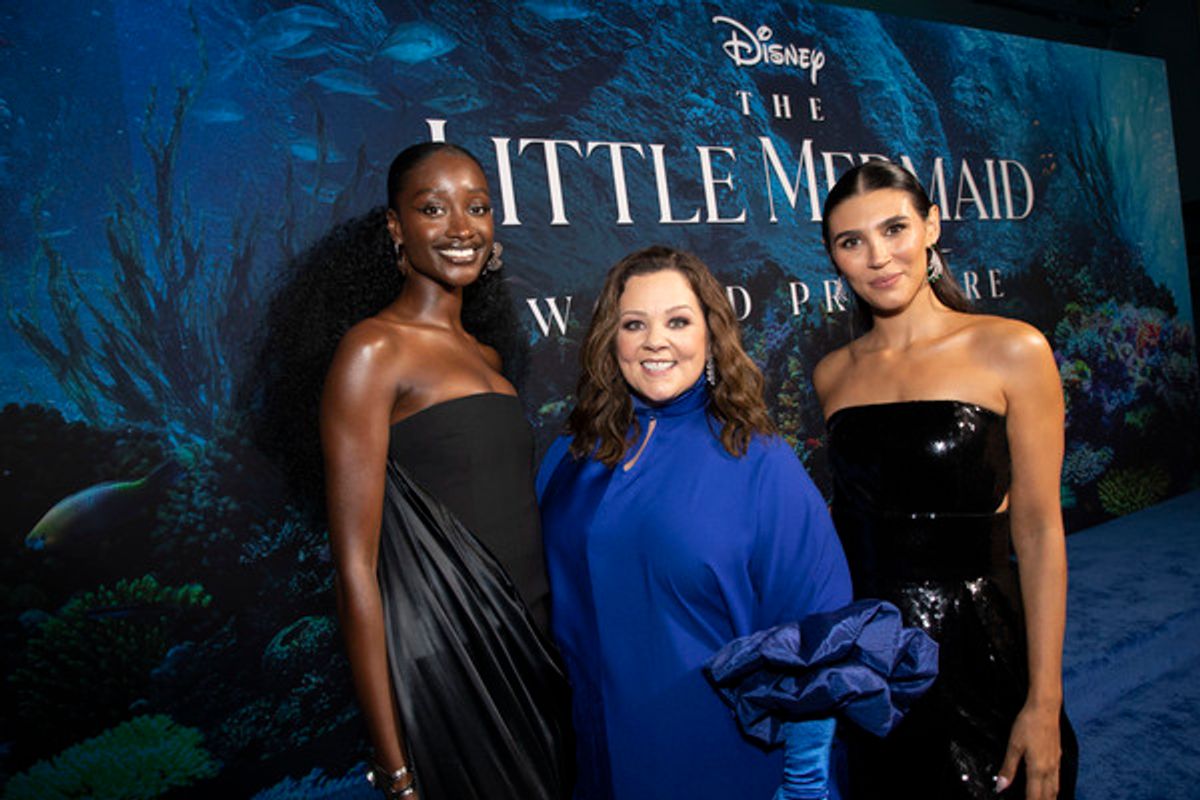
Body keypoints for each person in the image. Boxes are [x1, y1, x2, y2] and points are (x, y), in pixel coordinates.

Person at [273, 141, 572, 799]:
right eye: (433, 208)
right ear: (395, 227)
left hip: (534, 650)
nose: (462, 228)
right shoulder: (374, 350)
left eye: (479, 207)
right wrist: (394, 765)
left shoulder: (488, 355)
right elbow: (356, 569)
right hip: (451, 663)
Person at [537, 245, 853, 799]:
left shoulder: (760, 462)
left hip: (721, 760)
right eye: (634, 324)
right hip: (597, 761)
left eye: (678, 321)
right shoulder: (566, 461)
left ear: (711, 335)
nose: (655, 340)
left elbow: (817, 634)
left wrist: (805, 785)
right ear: (612, 342)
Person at [813, 160, 1079, 800]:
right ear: (835, 259)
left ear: (931, 227)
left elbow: (1040, 531)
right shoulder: (831, 377)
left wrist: (1043, 702)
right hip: (878, 668)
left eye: (896, 228)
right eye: (853, 242)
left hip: (984, 649)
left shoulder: (1013, 349)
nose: (879, 257)